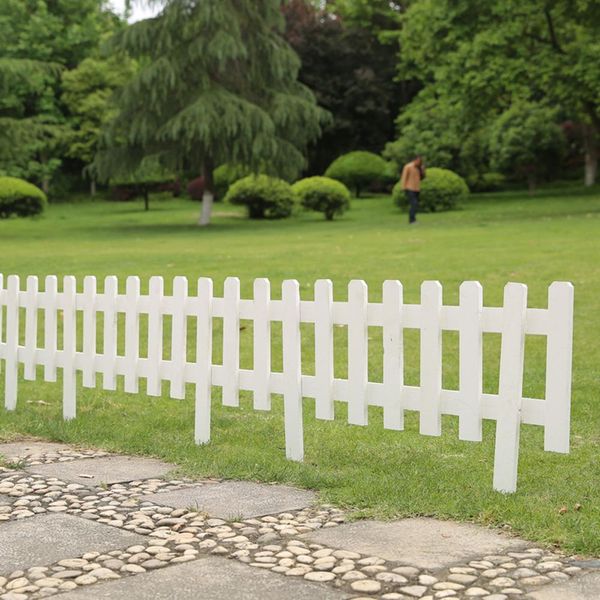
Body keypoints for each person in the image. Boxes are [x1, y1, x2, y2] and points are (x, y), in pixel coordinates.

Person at [400, 156, 425, 224]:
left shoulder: (419, 168)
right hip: (409, 188)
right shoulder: (408, 166)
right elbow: (404, 177)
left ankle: (413, 219)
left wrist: (422, 170)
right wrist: (403, 187)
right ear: (415, 160)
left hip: (416, 188)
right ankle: (412, 220)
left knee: (416, 204)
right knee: (414, 203)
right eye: (418, 161)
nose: (419, 162)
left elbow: (422, 178)